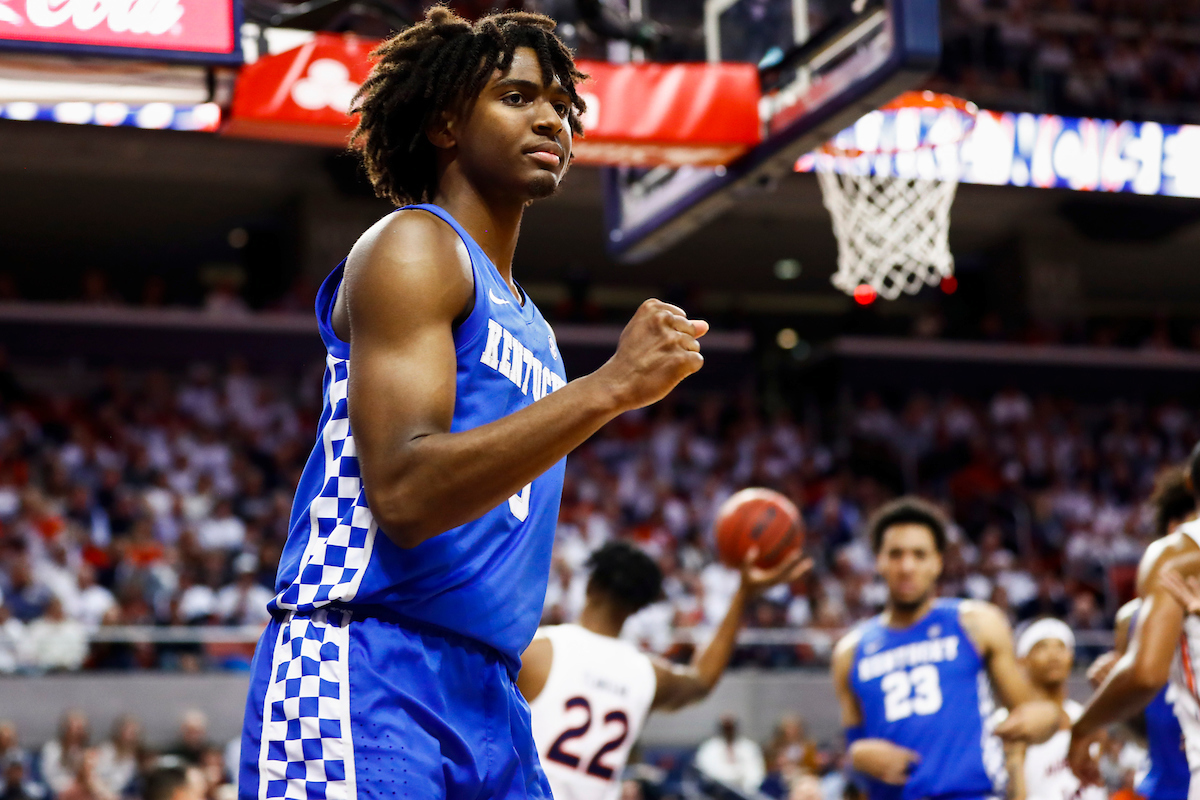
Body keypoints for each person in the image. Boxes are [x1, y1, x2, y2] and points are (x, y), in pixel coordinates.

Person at [238, 8, 709, 800]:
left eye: (561, 103)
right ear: (448, 122)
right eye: (518, 97)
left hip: (489, 692)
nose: (552, 116)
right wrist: (609, 389)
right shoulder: (415, 246)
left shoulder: (536, 332)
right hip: (364, 664)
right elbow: (408, 494)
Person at [518, 541, 810, 800]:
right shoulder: (645, 674)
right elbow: (702, 680)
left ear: (591, 585)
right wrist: (743, 594)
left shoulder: (536, 649)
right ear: (639, 606)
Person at [831, 497, 1062, 800]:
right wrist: (857, 757)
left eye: (919, 554)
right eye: (896, 554)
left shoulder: (977, 623)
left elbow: (1031, 709)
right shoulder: (850, 651)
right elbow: (855, 755)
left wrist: (1046, 718)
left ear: (937, 561)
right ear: (879, 561)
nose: (907, 566)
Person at [1068, 446, 1200, 789]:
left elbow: (1143, 675)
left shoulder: (1177, 556)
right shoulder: (1133, 617)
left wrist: (1083, 725)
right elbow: (1149, 728)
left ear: (1190, 482)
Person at [992, 619, 1105, 800]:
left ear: (1071, 656)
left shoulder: (1085, 717)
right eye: (1041, 647)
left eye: (1061, 646)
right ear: (1022, 661)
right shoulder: (1005, 722)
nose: (1054, 655)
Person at [694, 715, 767, 794]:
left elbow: (756, 772)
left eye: (731, 727)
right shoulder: (709, 748)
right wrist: (735, 775)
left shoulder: (749, 747)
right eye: (726, 728)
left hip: (744, 793)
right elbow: (708, 773)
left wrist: (746, 788)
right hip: (717, 793)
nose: (729, 731)